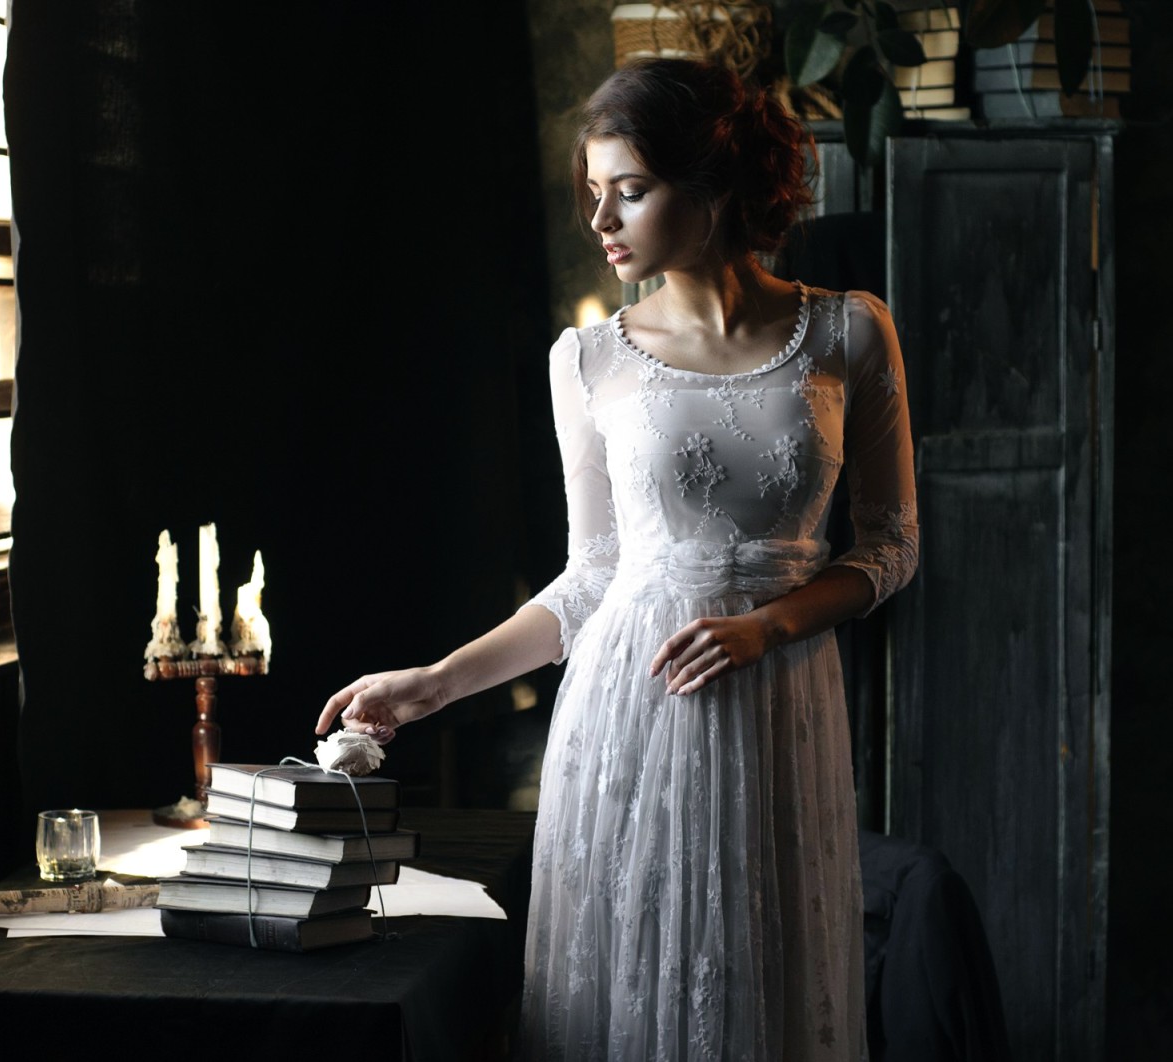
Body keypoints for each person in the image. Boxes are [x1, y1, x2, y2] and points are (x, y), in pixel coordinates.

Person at [316, 56, 917, 1061]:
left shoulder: (848, 331)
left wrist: (770, 624)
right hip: (628, 707)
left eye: (628, 192)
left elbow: (889, 548)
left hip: (780, 699)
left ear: (716, 181)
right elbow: (591, 579)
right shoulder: (586, 359)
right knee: (635, 996)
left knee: (766, 993)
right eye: (593, 194)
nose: (600, 222)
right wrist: (433, 685)